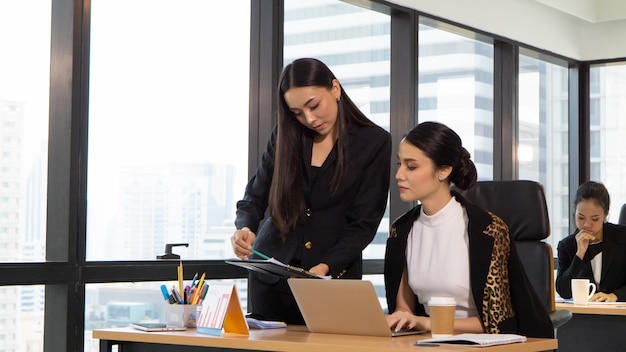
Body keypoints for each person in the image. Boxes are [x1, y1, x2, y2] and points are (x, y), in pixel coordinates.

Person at [230, 58, 391, 324]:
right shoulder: (285, 134)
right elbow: (254, 196)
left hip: (330, 281)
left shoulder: (374, 142)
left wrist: (324, 268)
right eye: (297, 113)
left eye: (314, 105)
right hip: (271, 280)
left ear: (335, 89)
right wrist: (245, 227)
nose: (309, 119)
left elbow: (364, 224)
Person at [384, 121, 553, 338]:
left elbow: (496, 322)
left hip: (482, 345)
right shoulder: (401, 230)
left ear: (444, 170)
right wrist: (404, 319)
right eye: (399, 164)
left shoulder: (489, 230)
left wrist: (427, 323)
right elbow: (405, 309)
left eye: (411, 166)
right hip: (427, 343)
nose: (399, 175)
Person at [555, 181, 626, 302]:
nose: (587, 224)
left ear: (606, 214)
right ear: (574, 211)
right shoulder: (567, 245)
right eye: (581, 217)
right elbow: (564, 291)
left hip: (619, 314)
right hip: (586, 316)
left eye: (595, 219)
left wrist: (615, 296)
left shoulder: (622, 237)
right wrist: (579, 255)